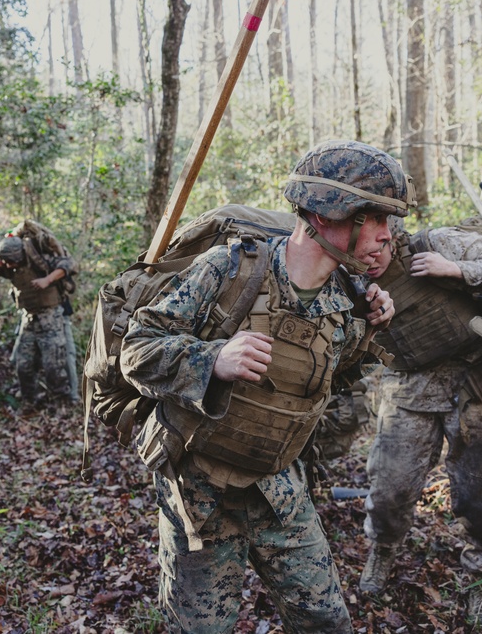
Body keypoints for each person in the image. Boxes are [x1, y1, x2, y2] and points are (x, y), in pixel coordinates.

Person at [119, 140, 411, 632]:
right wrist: (213, 359)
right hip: (199, 494)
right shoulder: (228, 269)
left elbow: (326, 385)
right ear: (327, 216)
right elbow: (136, 352)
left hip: (279, 491)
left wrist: (369, 332)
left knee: (326, 623)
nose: (388, 236)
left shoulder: (349, 298)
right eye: (376, 219)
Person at [358, 212, 482, 624]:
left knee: (480, 495)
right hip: (409, 388)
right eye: (361, 253)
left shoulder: (438, 243)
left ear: (392, 237)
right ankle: (381, 553)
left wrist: (456, 269)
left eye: (379, 248)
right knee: (389, 489)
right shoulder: (347, 272)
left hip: (476, 384)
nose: (371, 260)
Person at [0, 220, 79, 414]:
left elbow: (70, 264)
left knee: (54, 364)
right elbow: (0, 271)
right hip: (28, 317)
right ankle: (29, 399)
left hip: (51, 316)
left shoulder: (39, 259)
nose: (8, 265)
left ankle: (61, 403)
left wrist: (47, 280)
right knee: (22, 363)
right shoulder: (11, 265)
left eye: (10, 262)